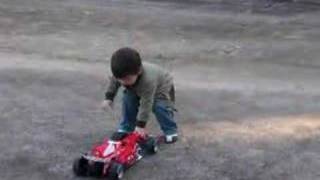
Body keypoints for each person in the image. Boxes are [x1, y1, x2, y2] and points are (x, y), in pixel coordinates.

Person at [102, 47, 178, 143]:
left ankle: (170, 130)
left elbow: (146, 103)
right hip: (137, 88)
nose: (123, 82)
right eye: (120, 79)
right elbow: (114, 81)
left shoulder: (148, 80)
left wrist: (140, 125)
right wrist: (109, 97)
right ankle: (127, 127)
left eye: (126, 79)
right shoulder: (122, 73)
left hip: (162, 87)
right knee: (128, 99)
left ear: (138, 71)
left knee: (159, 107)